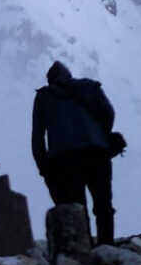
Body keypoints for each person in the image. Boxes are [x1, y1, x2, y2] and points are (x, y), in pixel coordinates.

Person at [31, 59, 118, 245]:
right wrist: (101, 135)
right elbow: (109, 113)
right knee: (103, 204)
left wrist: (44, 168)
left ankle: (84, 250)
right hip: (97, 152)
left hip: (64, 159)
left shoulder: (44, 97)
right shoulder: (90, 87)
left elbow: (37, 137)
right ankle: (107, 248)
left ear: (50, 80)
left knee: (77, 207)